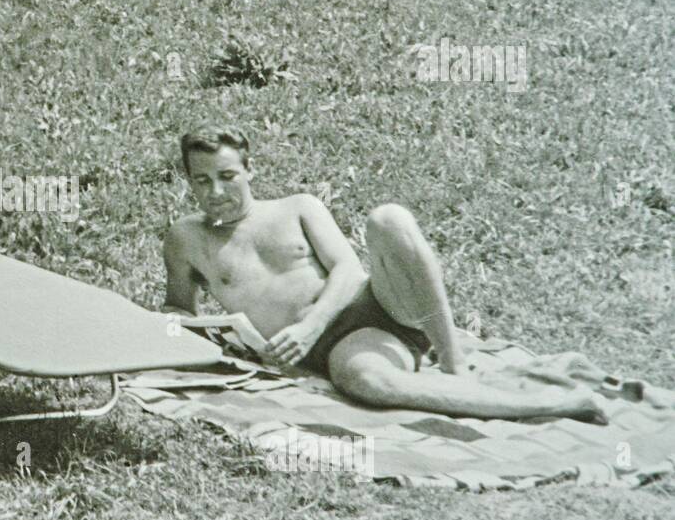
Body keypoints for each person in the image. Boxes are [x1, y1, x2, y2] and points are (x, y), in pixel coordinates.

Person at [162, 125, 608, 424]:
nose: (216, 192)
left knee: (389, 218)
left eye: (227, 176)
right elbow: (179, 309)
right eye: (201, 181)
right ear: (188, 181)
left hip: (373, 303)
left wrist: (307, 325)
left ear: (249, 170)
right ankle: (559, 404)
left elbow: (348, 268)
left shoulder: (297, 207)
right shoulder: (185, 238)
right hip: (344, 348)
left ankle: (455, 366)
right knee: (367, 383)